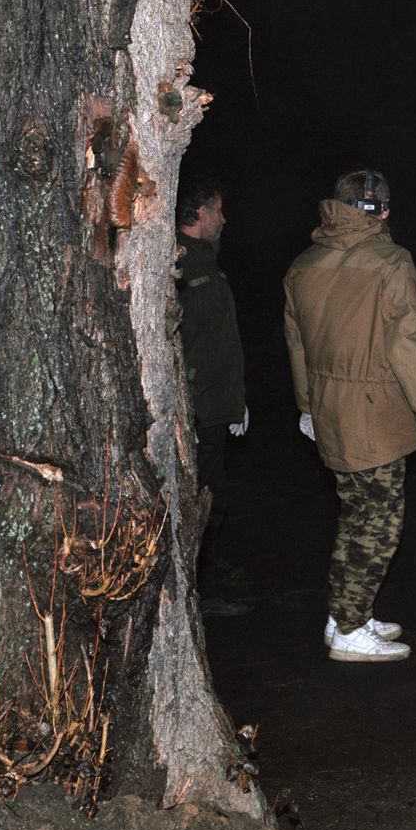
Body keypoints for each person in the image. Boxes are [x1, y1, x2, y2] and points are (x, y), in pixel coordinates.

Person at [284, 168, 416, 663]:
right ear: (384, 211)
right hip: (372, 414)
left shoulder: (304, 265)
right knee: (380, 523)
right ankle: (348, 628)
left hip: (331, 411)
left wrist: (307, 406)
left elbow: (296, 343)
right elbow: (408, 340)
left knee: (354, 515)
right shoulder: (391, 261)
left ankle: (346, 614)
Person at [176, 173, 249, 616]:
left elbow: (219, 340)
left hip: (216, 407)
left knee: (215, 499)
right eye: (218, 210)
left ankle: (205, 591)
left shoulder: (207, 263)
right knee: (203, 501)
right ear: (200, 213)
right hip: (197, 411)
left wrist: (237, 399)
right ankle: (199, 595)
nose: (224, 218)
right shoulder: (181, 263)